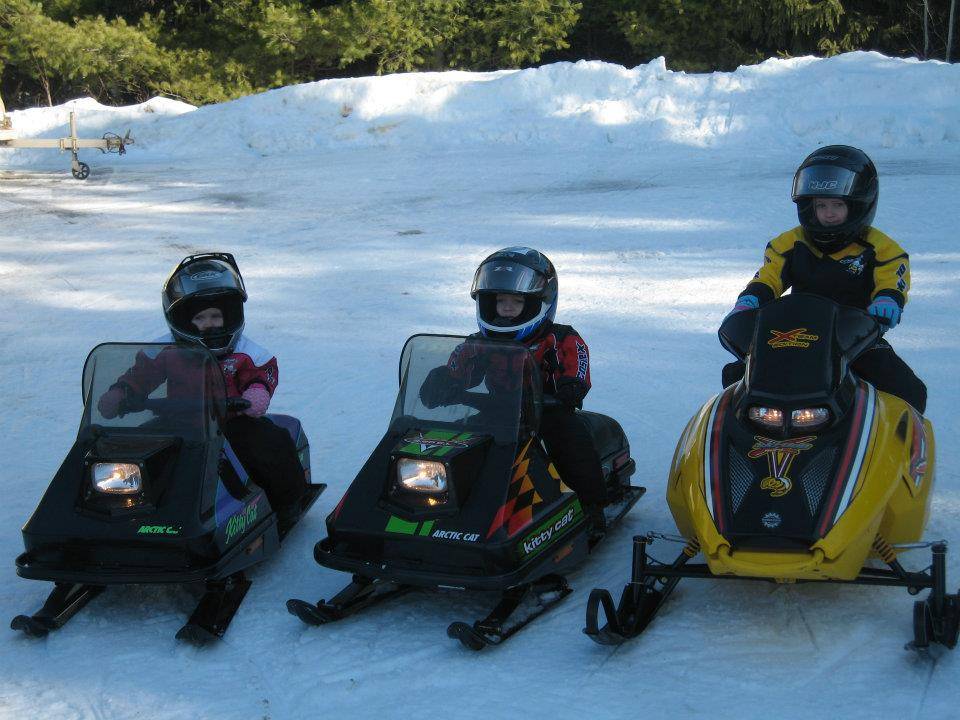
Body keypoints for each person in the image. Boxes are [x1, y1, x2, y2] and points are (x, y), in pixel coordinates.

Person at [97, 252, 308, 527]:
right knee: (135, 449)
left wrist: (256, 393)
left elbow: (261, 372)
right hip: (178, 421)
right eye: (200, 318)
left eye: (215, 316)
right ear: (183, 320)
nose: (209, 324)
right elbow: (141, 374)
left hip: (232, 421)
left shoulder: (245, 351)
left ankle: (286, 502)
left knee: (268, 445)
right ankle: (129, 503)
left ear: (230, 315)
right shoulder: (166, 350)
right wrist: (122, 392)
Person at [722, 145, 927, 413]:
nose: (829, 213)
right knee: (738, 376)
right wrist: (751, 298)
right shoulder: (789, 243)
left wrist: (888, 299)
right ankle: (743, 435)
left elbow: (893, 279)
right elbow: (769, 276)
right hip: (795, 337)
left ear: (857, 206)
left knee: (908, 389)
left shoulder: (881, 248)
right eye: (821, 205)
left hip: (856, 339)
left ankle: (898, 444)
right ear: (809, 207)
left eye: (837, 205)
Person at [422, 247, 608, 533]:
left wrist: (570, 387)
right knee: (458, 443)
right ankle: (442, 500)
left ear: (538, 302)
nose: (507, 307)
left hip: (548, 411)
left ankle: (590, 506)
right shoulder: (478, 343)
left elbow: (577, 365)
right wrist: (445, 380)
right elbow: (463, 368)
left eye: (516, 301)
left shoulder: (559, 338)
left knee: (571, 444)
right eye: (500, 301)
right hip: (498, 409)